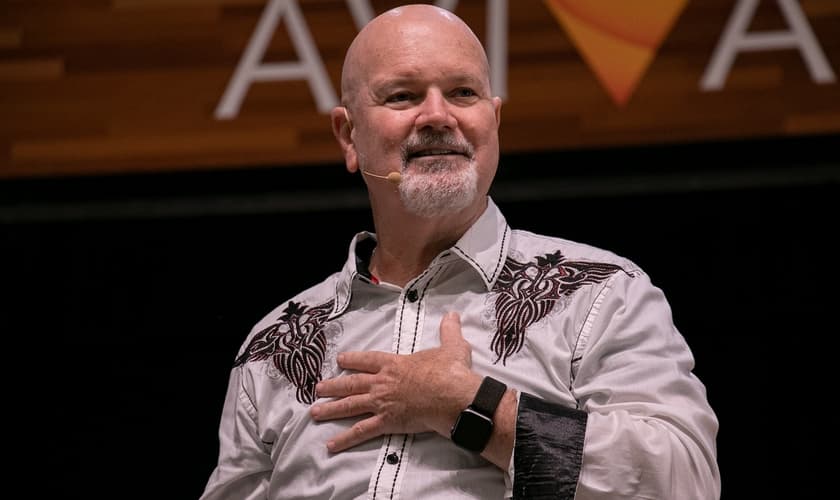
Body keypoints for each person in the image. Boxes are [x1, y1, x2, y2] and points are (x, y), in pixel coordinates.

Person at [200, 4, 720, 499]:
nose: (437, 115)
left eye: (463, 92)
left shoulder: (602, 294)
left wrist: (468, 405)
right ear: (349, 136)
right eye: (402, 96)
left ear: (493, 120)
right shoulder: (275, 343)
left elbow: (682, 480)